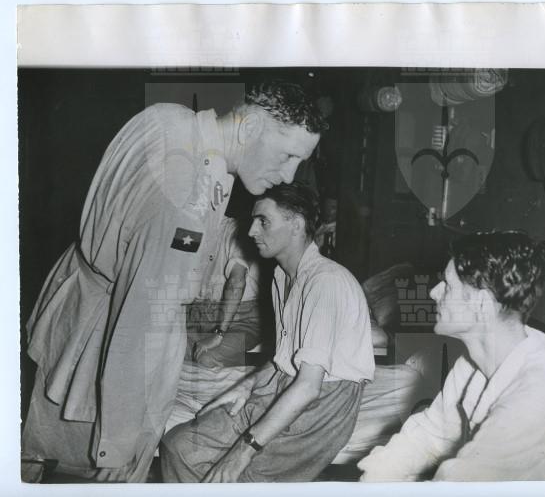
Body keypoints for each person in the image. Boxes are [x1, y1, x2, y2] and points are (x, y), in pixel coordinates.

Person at [22, 81, 325, 482]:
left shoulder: (170, 118)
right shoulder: (186, 198)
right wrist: (121, 440)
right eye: (287, 155)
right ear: (250, 127)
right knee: (93, 466)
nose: (289, 174)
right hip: (112, 335)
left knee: (32, 452)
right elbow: (141, 320)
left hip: (74, 302)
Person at [358, 231, 545, 481]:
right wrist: (374, 478)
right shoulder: (475, 362)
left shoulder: (533, 400)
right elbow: (431, 433)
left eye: (447, 285)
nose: (433, 292)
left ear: (481, 304)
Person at [160, 182, 375, 482]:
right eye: (253, 221)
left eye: (263, 221)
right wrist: (246, 385)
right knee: (179, 446)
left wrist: (242, 451)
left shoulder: (326, 281)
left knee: (240, 478)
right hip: (282, 385)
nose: (251, 231)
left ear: (296, 225)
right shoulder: (281, 277)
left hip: (320, 405)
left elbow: (309, 386)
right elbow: (284, 360)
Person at [188, 216, 265, 368]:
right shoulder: (187, 228)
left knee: (205, 358)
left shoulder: (238, 230)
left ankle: (258, 359)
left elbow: (236, 281)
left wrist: (219, 334)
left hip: (240, 321)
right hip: (201, 319)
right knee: (167, 350)